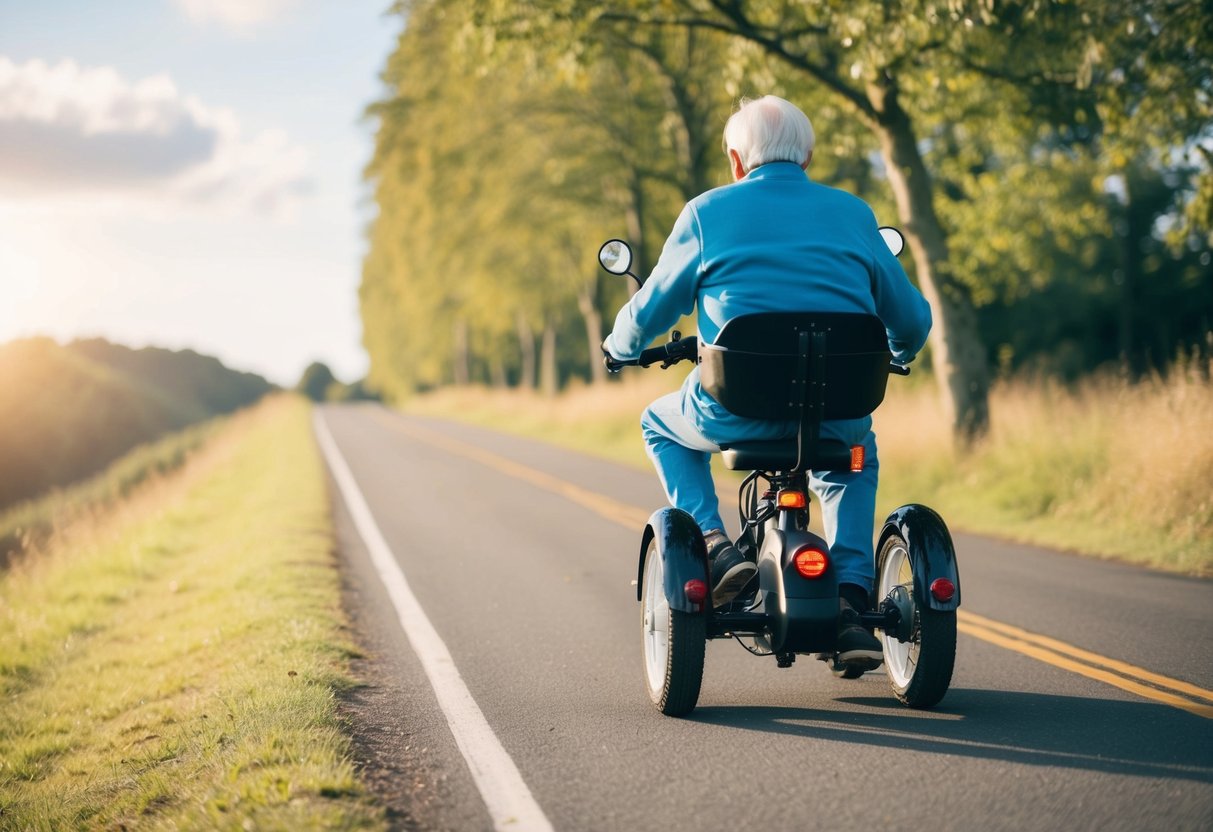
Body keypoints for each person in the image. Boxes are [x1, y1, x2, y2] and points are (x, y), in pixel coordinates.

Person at [603, 95, 932, 669]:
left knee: (658, 423)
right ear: (808, 156)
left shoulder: (706, 214)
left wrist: (619, 347)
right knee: (854, 453)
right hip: (836, 408)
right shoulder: (854, 214)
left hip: (734, 411)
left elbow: (651, 308)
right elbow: (911, 320)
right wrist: (898, 352)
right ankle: (854, 595)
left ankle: (712, 544)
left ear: (736, 160)